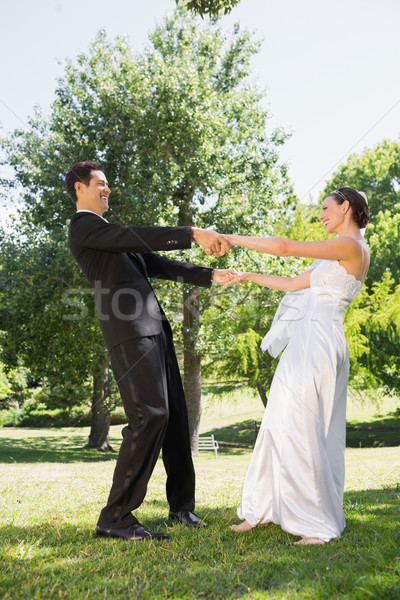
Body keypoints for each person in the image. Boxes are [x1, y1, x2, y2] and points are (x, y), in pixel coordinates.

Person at [66, 161, 233, 541]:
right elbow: (138, 238)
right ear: (79, 188)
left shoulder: (109, 233)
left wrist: (209, 276)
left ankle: (182, 508)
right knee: (150, 415)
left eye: (108, 184)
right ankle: (116, 517)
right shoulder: (85, 228)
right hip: (129, 335)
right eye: (100, 184)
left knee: (174, 417)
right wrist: (192, 232)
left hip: (155, 331)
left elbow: (154, 261)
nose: (107, 189)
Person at [224, 188, 370, 545]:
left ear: (345, 207)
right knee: (279, 420)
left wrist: (231, 238)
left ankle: (316, 523)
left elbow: (286, 247)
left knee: (304, 427)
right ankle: (261, 508)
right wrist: (246, 276)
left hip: (320, 341)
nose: (321, 215)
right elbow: (292, 284)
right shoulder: (334, 253)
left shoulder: (350, 247)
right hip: (307, 340)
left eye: (325, 208)